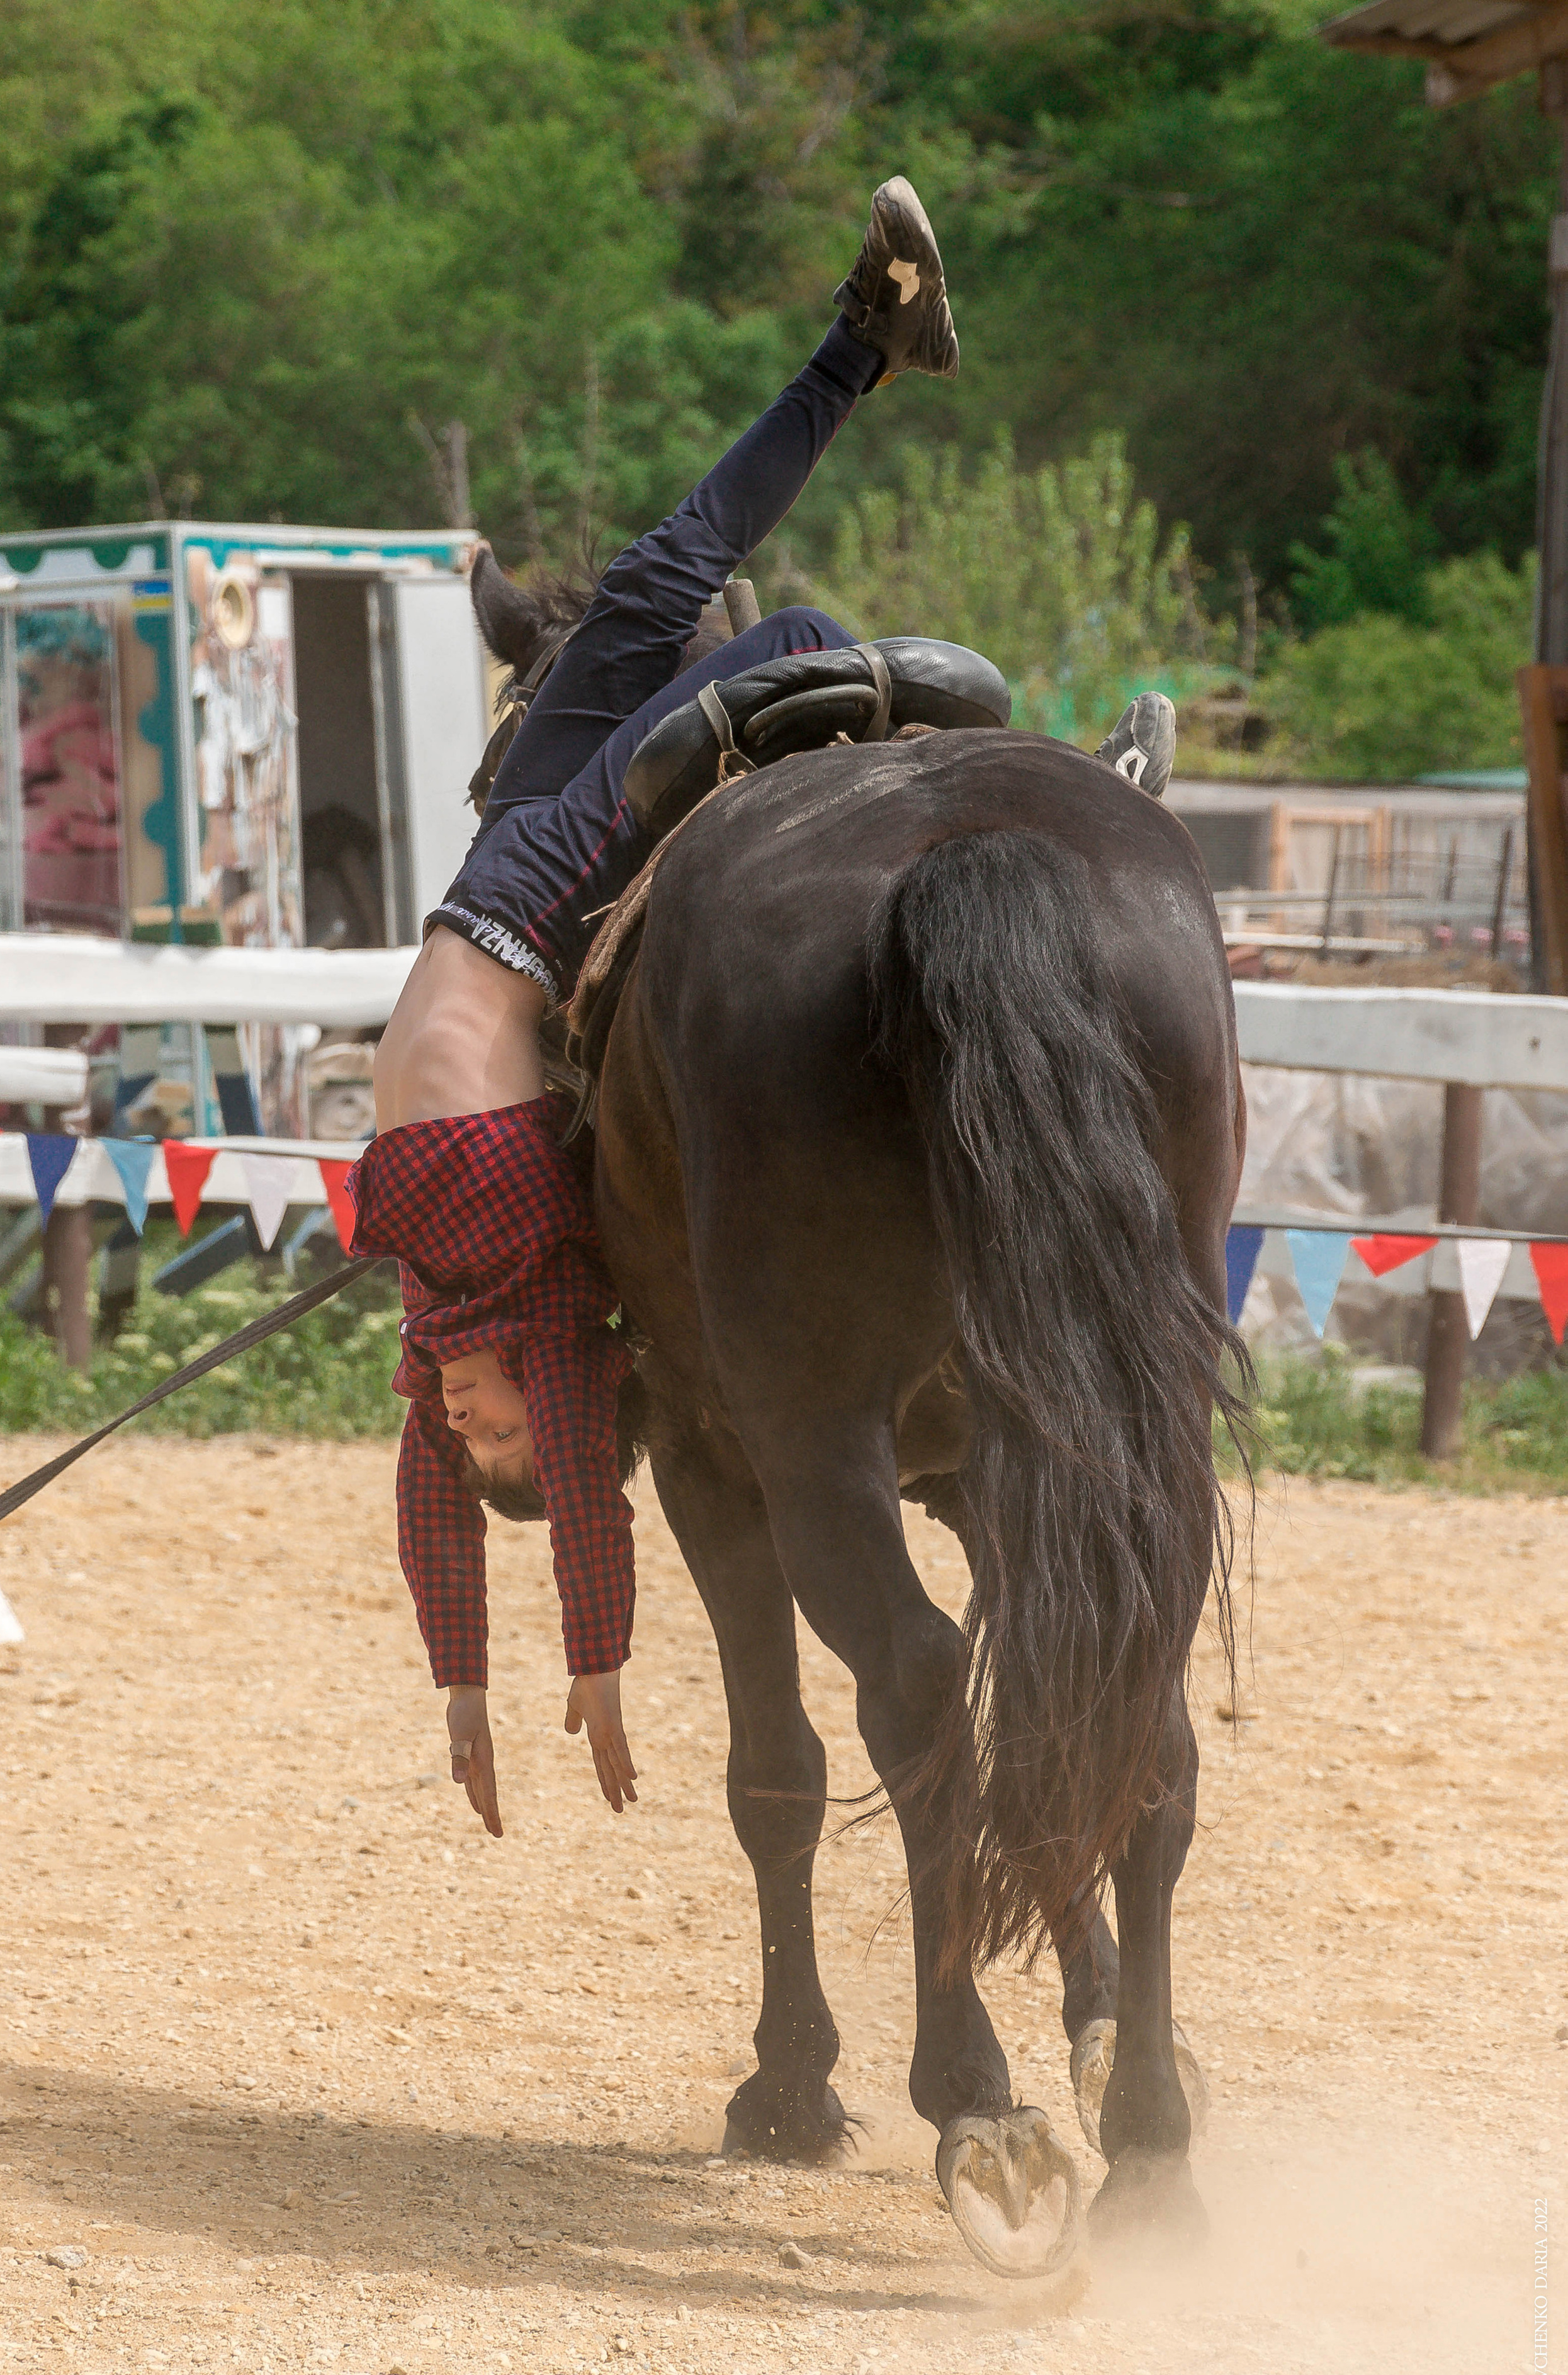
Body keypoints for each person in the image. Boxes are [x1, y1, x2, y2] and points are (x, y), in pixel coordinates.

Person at [351, 176, 1175, 1840]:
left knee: (670, 577)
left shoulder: (435, 1313)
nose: (472, 1419)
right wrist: (588, 1658)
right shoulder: (545, 1301)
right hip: (531, 919)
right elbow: (582, 1456)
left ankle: (866, 349)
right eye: (501, 1434)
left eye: (472, 1428)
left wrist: (457, 1675)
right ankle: (1056, 784)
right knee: (785, 637)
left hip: (488, 880)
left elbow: (431, 1503)